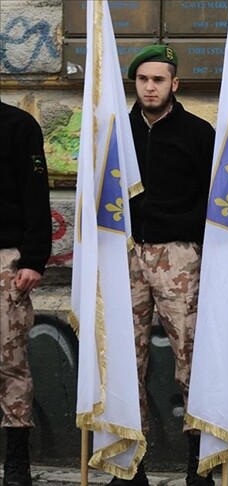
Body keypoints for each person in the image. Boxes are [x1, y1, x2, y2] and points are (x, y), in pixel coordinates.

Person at [122, 45, 216, 486]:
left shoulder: (199, 133)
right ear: (134, 84)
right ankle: (128, 464)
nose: (150, 87)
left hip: (179, 255)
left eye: (158, 79)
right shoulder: (118, 131)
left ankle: (198, 464)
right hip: (126, 253)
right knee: (125, 359)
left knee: (191, 359)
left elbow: (215, 199)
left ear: (174, 84)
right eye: (143, 79)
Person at [0, 101, 52, 486]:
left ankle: (17, 462)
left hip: (6, 262)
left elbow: (36, 194)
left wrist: (34, 258)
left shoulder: (18, 125)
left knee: (11, 363)